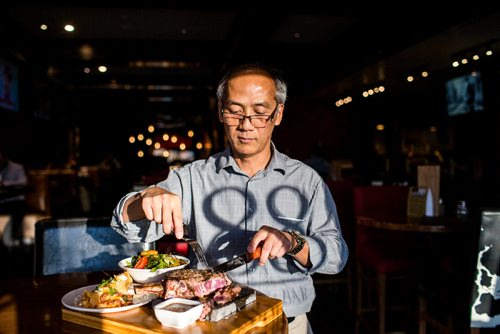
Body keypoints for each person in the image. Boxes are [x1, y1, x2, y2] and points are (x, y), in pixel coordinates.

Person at [111, 64, 349, 334]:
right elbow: (124, 226)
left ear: (278, 113)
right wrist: (145, 198)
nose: (246, 125)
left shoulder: (306, 181)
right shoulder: (192, 178)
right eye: (235, 112)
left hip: (285, 324)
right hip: (212, 325)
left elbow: (336, 257)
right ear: (221, 113)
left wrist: (294, 242)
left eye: (259, 114)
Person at [0, 149, 28, 246]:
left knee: (18, 209)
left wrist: (5, 183)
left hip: (15, 201)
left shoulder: (17, 168)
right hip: (2, 201)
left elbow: (23, 182)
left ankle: (8, 239)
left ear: (3, 157)